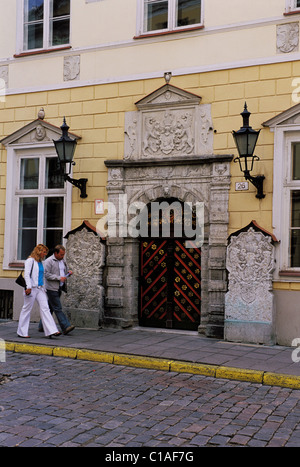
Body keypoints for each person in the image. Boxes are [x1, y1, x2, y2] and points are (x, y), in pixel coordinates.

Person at [17, 244, 61, 339]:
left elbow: (42, 276)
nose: (45, 254)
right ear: (39, 251)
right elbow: (27, 275)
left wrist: (44, 287)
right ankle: (22, 332)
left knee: (45, 308)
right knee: (27, 309)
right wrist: (28, 287)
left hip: (40, 289)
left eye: (46, 252)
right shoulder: (30, 261)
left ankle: (52, 330)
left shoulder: (41, 262)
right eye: (44, 252)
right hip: (31, 288)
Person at [38, 245, 75, 335]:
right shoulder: (48, 261)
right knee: (58, 307)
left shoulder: (62, 261)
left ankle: (42, 326)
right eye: (61, 255)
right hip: (51, 288)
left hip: (59, 287)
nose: (63, 256)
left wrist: (68, 273)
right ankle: (65, 326)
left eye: (63, 255)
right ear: (55, 253)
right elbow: (46, 274)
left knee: (50, 308)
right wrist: (58, 278)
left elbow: (63, 272)